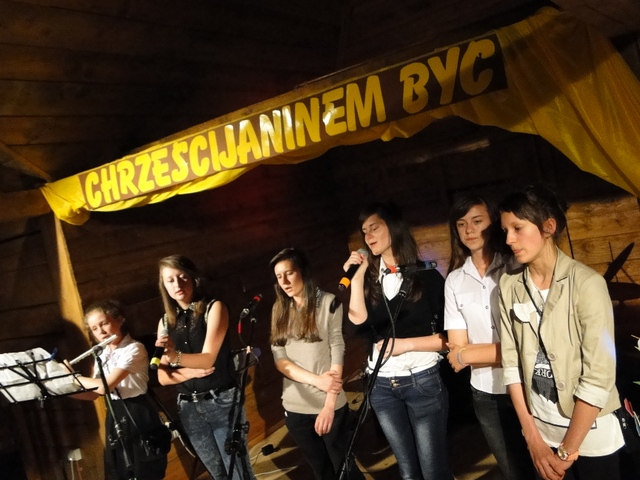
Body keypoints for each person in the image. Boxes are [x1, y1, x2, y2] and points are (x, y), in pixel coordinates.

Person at [498, 185, 624, 480]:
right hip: (541, 432)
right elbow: (511, 365)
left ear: (548, 227)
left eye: (517, 228)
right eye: (505, 230)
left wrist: (567, 451)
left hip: (590, 433)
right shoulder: (509, 285)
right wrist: (532, 438)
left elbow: (599, 376)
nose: (508, 239)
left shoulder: (587, 284)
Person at [343, 201, 452, 480]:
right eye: (364, 231)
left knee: (433, 472)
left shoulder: (427, 276)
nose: (368, 236)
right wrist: (356, 278)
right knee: (408, 473)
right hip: (381, 387)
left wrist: (406, 345)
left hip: (422, 380)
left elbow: (450, 340)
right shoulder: (369, 281)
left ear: (393, 227)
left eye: (374, 228)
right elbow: (358, 324)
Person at [444, 194, 535, 480]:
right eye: (461, 224)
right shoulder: (455, 280)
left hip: (530, 382)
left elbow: (530, 343)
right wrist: (467, 353)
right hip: (486, 393)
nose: (469, 230)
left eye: (477, 221)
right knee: (515, 471)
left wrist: (470, 353)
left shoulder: (516, 267)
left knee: (547, 465)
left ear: (493, 223)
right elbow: (456, 351)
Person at [153, 254, 256, 480]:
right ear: (164, 286)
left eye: (182, 277)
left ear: (193, 278)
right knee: (217, 473)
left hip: (221, 401)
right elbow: (162, 377)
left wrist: (175, 358)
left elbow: (208, 359)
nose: (177, 284)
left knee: (238, 472)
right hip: (189, 408)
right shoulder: (165, 322)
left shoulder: (214, 307)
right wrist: (190, 371)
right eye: (170, 280)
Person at [269, 248, 365, 480]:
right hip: (295, 407)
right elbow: (280, 360)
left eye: (289, 273)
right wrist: (317, 381)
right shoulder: (279, 309)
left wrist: (329, 404)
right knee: (322, 471)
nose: (284, 281)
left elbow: (337, 347)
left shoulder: (329, 302)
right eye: (279, 277)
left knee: (345, 469)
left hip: (328, 404)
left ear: (302, 271)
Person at [68, 299, 168, 480]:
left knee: (144, 470)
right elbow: (93, 394)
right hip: (115, 413)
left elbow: (105, 386)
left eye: (104, 323)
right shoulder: (102, 354)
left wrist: (73, 377)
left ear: (119, 320)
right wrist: (62, 388)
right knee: (120, 471)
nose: (101, 332)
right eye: (94, 328)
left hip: (138, 412)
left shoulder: (134, 348)